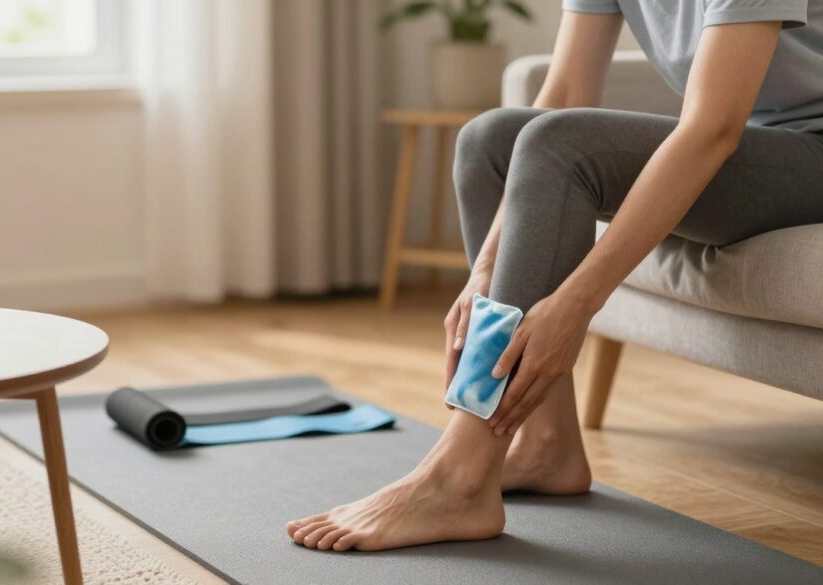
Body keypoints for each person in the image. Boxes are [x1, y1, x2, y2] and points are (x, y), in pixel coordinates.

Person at [286, 0, 823, 552]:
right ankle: (546, 441)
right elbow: (563, 93)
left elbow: (712, 127)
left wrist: (578, 302)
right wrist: (485, 269)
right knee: (490, 140)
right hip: (767, 143)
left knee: (561, 145)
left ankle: (460, 475)